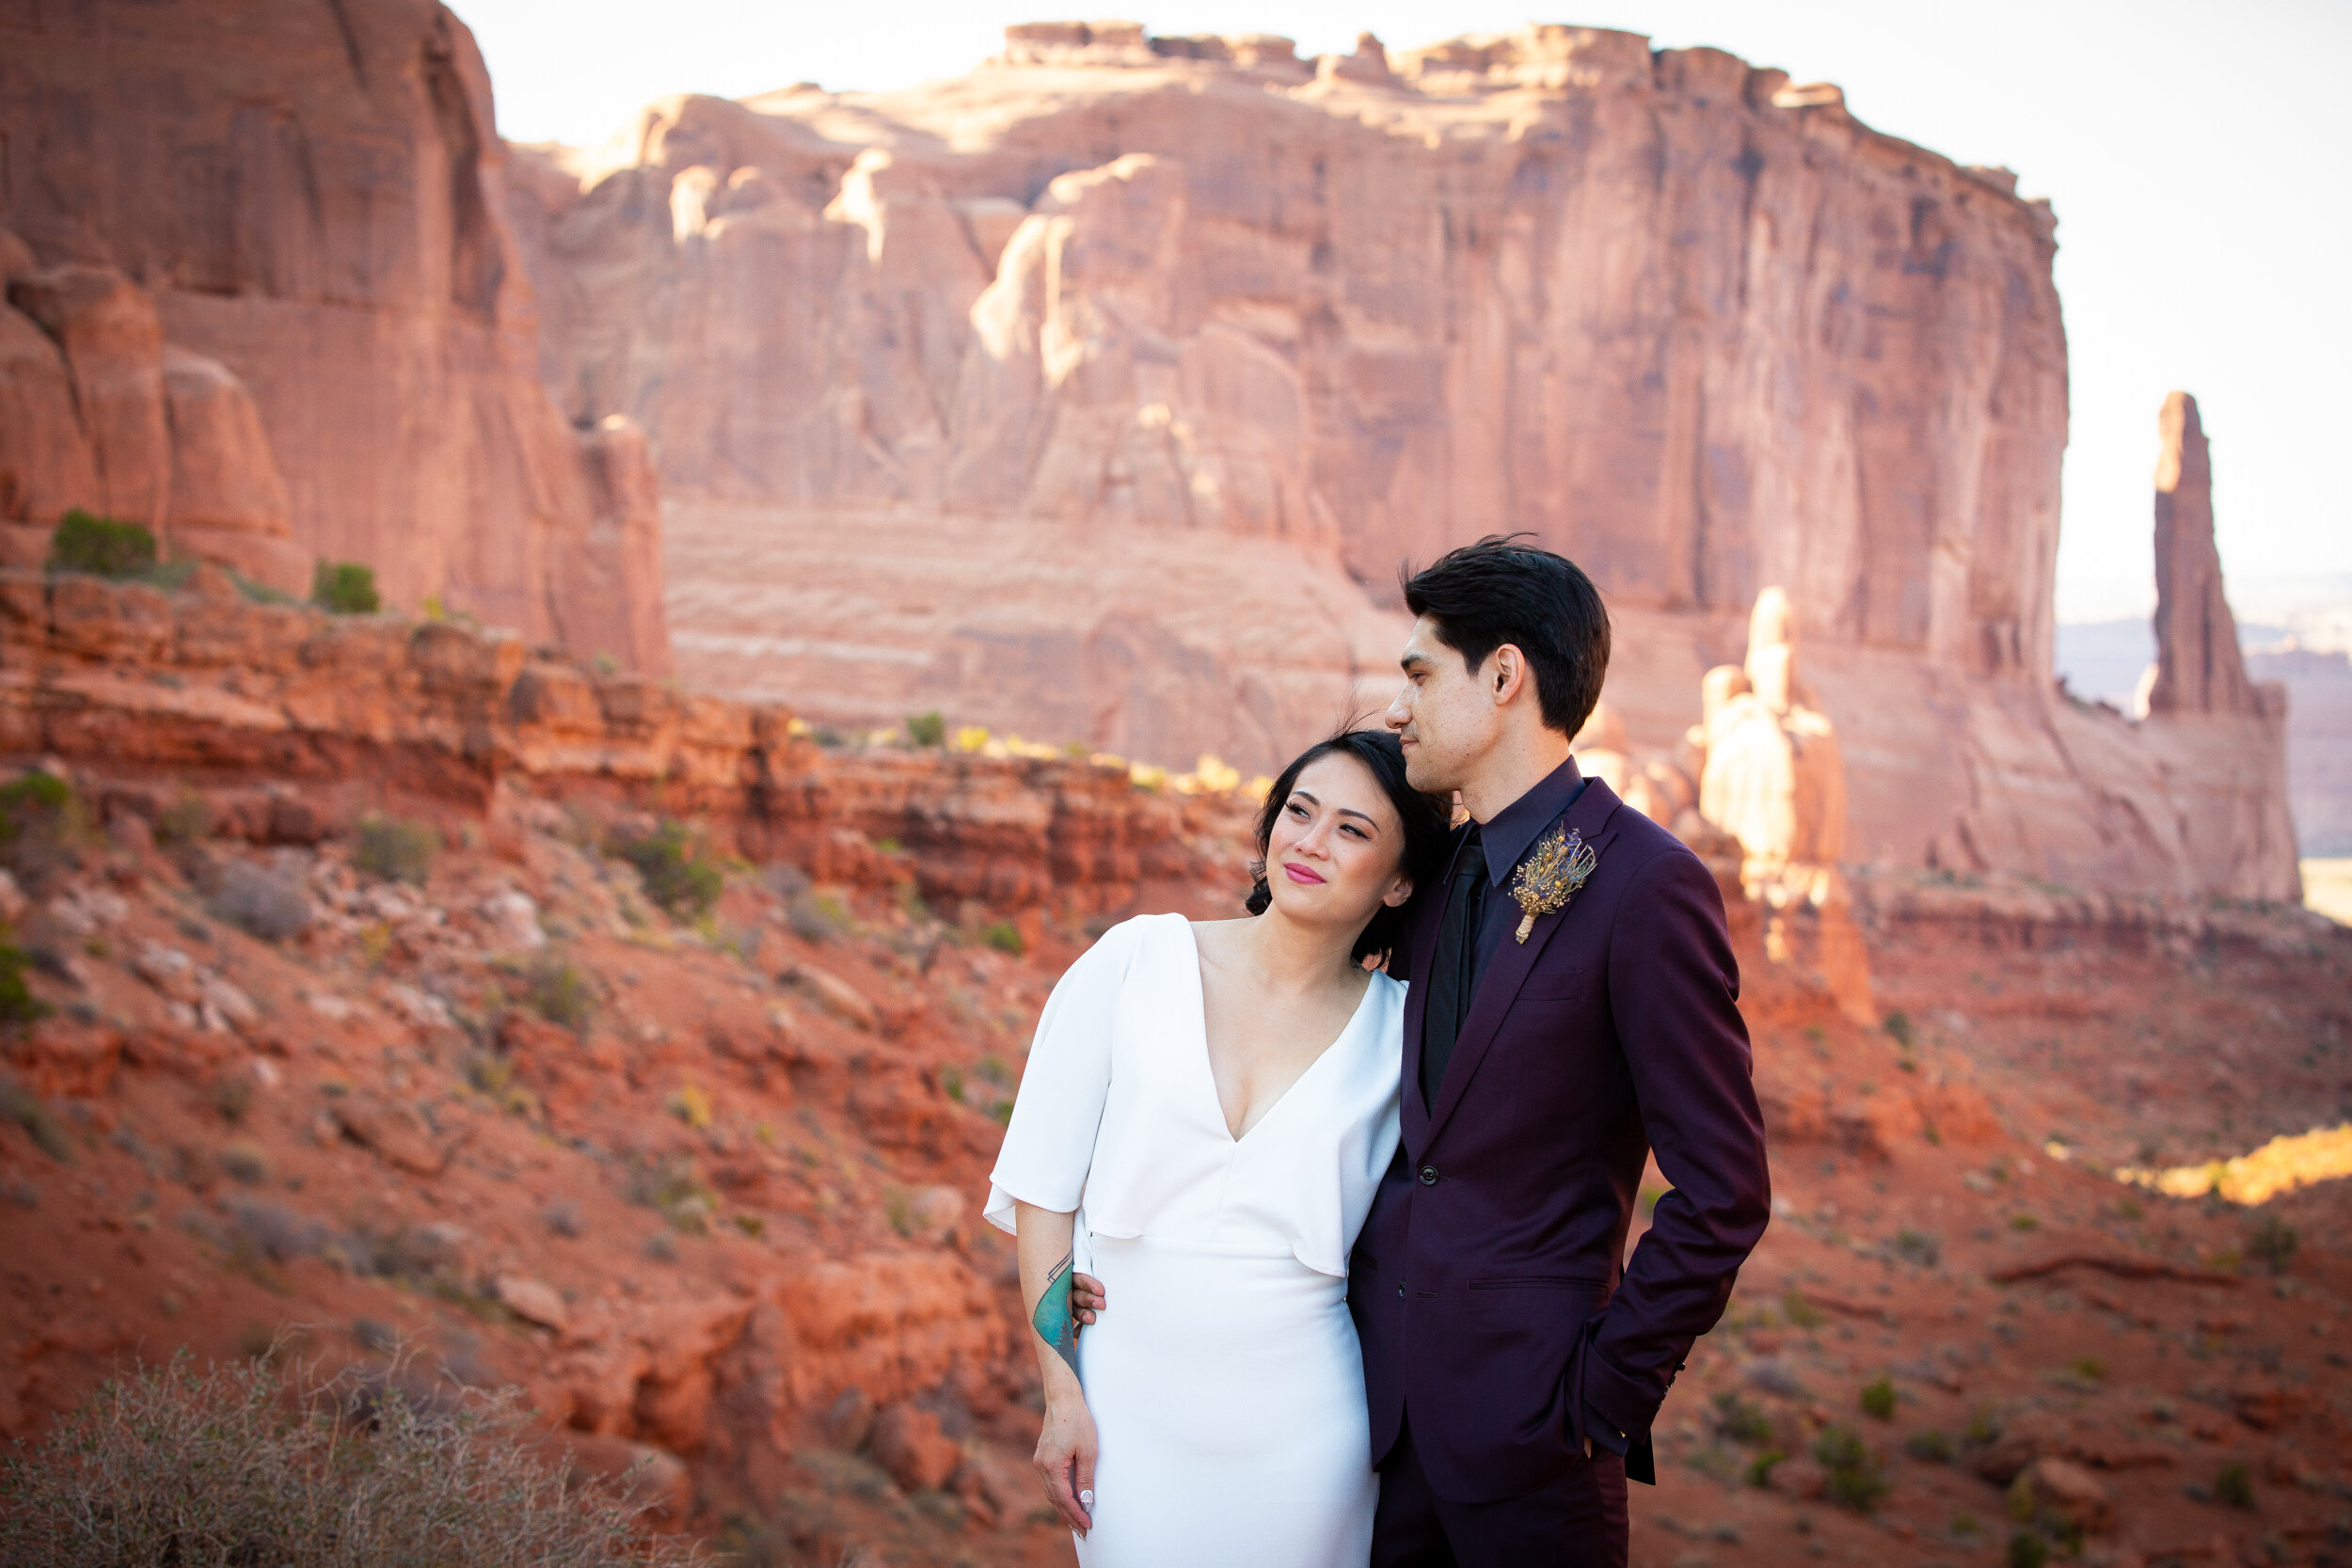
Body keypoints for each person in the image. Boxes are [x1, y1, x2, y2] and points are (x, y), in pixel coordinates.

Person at [1356, 534, 1772, 1568]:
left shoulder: (1647, 886)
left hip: (1536, 1456)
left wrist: (1599, 1397)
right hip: (1377, 1437)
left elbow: (1725, 1190)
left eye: (1417, 674)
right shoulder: (1438, 873)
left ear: (1502, 676)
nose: (1395, 707)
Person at [986, 729, 1450, 1567]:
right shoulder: (1136, 959)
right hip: (1128, 1411)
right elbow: (1042, 1188)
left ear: (1401, 879)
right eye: (1299, 811)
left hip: (1307, 1426)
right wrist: (1063, 1394)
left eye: (1353, 829)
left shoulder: (1404, 1029)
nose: (1310, 841)